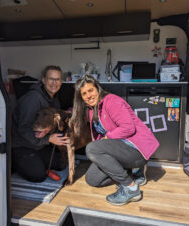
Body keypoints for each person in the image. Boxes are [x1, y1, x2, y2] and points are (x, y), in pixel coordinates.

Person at [70, 75, 159, 205]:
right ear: (81, 98)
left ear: (98, 89)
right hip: (120, 151)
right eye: (84, 93)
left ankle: (131, 187)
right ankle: (133, 171)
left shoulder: (111, 101)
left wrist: (105, 139)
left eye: (91, 90)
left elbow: (128, 128)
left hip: (135, 150)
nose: (89, 95)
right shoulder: (90, 111)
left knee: (91, 148)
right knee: (92, 179)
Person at [12, 65, 69, 182]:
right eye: (51, 79)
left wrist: (66, 114)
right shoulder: (33, 99)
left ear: (61, 82)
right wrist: (48, 139)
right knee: (38, 175)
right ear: (43, 80)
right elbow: (24, 129)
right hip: (21, 145)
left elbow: (53, 122)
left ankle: (36, 162)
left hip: (38, 145)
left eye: (57, 79)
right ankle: (14, 163)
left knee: (60, 164)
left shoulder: (54, 99)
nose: (54, 83)